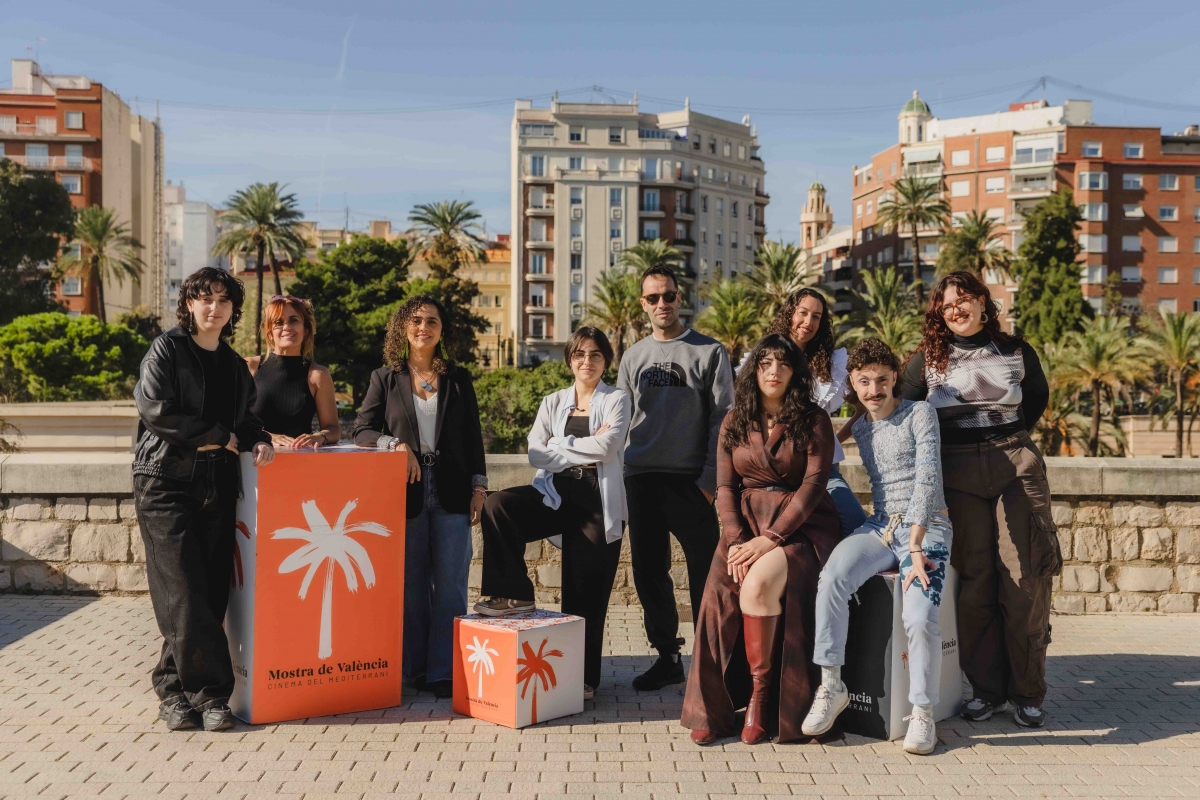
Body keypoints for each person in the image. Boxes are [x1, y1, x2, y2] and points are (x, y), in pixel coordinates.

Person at [899, 271, 1059, 729]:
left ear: (983, 303)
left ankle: (1028, 693)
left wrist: (1003, 435)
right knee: (975, 586)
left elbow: (1036, 399)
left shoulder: (1014, 350)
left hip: (1015, 465)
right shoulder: (927, 360)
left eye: (964, 300)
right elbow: (906, 412)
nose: (956, 309)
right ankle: (987, 692)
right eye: (947, 305)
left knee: (1025, 580)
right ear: (939, 314)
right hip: (957, 473)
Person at [681, 334, 843, 745]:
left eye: (784, 364)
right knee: (715, 597)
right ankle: (711, 710)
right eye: (766, 362)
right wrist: (736, 539)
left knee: (756, 584)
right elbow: (725, 486)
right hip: (745, 528)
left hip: (801, 527)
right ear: (754, 369)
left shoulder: (814, 419)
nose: (774, 371)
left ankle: (760, 697)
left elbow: (812, 486)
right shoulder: (735, 419)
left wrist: (771, 538)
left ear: (795, 372)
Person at [133, 267, 275, 733]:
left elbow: (246, 422)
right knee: (184, 590)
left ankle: (172, 689)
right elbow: (156, 411)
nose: (214, 308)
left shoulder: (234, 365)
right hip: (166, 483)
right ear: (189, 304)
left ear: (234, 310)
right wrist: (219, 436)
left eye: (223, 300)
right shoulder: (167, 349)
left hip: (218, 486)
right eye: (204, 299)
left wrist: (259, 442)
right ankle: (211, 694)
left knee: (209, 593)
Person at [801, 338, 952, 755]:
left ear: (894, 379)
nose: (874, 390)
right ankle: (832, 686)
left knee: (920, 616)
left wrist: (918, 545)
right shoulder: (863, 425)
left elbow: (927, 478)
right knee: (831, 576)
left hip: (929, 527)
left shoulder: (920, 413)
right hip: (881, 525)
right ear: (852, 382)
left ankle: (922, 712)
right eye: (864, 381)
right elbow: (841, 436)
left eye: (882, 380)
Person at [474, 327, 631, 700]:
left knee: (585, 594)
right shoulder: (553, 400)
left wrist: (558, 444)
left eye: (594, 355)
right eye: (579, 355)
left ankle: (583, 678)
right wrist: (577, 446)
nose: (586, 361)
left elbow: (608, 448)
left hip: (596, 499)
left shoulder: (617, 399)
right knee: (499, 506)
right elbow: (535, 453)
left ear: (605, 360)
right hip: (556, 492)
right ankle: (514, 594)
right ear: (570, 361)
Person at [351, 295, 487, 699]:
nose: (423, 327)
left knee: (450, 585)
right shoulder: (385, 378)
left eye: (431, 321)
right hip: (404, 491)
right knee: (409, 586)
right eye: (415, 321)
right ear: (402, 329)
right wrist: (394, 444)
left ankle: (444, 671)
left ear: (442, 330)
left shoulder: (459, 379)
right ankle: (416, 668)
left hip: (452, 490)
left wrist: (479, 487)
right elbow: (360, 431)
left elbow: (473, 438)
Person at [618, 265, 734, 691]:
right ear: (642, 303)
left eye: (668, 296)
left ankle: (712, 661)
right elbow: (620, 421)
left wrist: (709, 483)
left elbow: (724, 421)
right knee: (651, 573)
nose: (661, 304)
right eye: (653, 298)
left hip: (692, 483)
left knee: (708, 574)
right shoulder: (632, 357)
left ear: (679, 299)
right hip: (641, 479)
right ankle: (667, 657)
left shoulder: (710, 352)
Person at [766, 288, 867, 536]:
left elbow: (862, 408)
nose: (808, 322)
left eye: (816, 316)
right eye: (803, 313)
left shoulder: (832, 364)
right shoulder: (765, 359)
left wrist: (832, 441)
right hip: (775, 473)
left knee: (857, 527)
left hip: (823, 470)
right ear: (790, 313)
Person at [245, 295, 340, 448]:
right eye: (278, 322)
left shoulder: (318, 375)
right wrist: (265, 436)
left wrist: (319, 436)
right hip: (253, 464)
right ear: (269, 332)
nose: (287, 327)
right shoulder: (249, 367)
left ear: (306, 329)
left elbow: (333, 430)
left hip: (299, 464)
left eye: (293, 320)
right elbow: (232, 422)